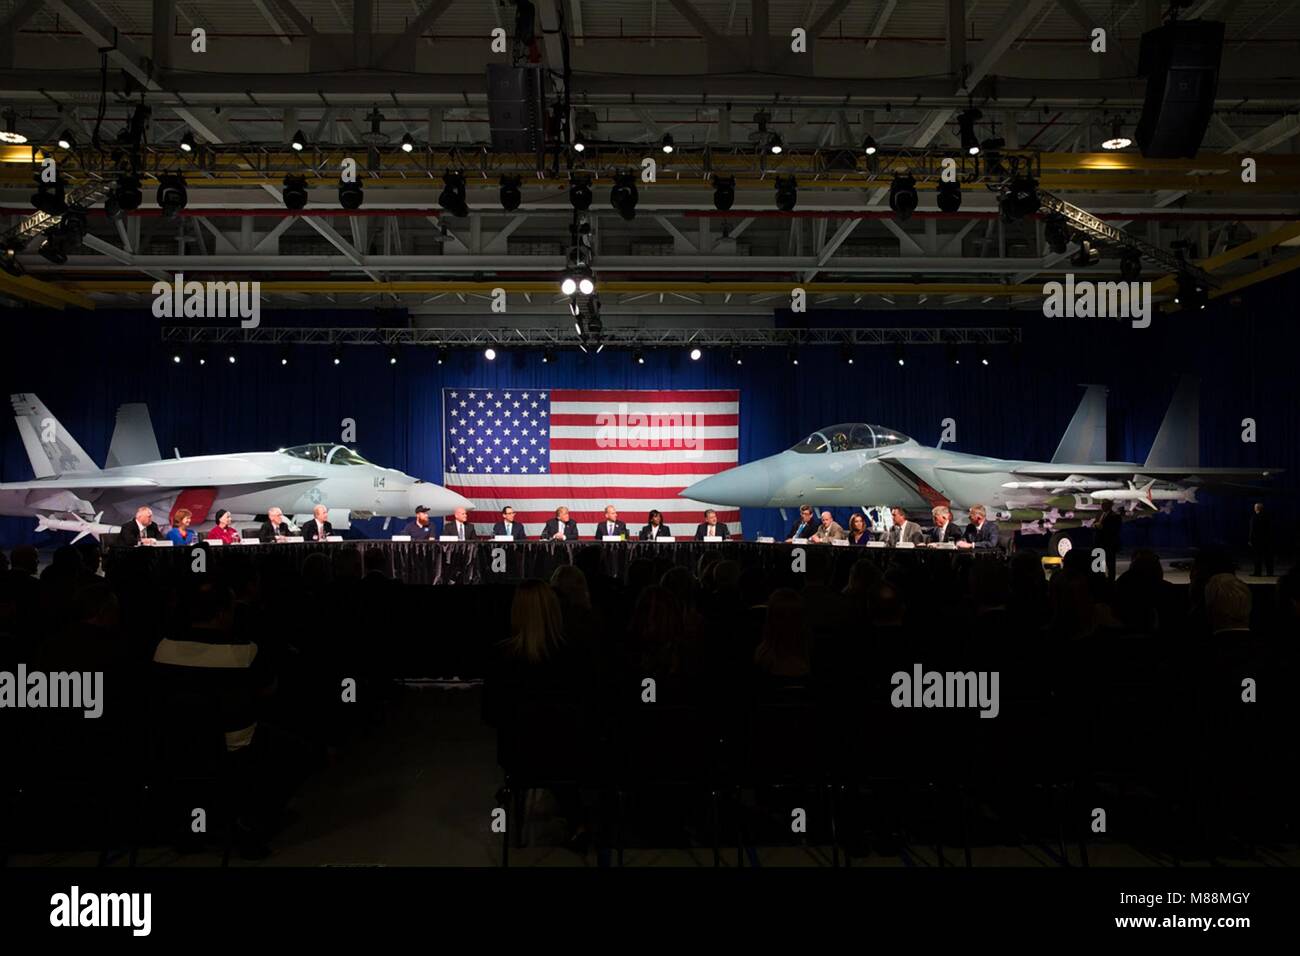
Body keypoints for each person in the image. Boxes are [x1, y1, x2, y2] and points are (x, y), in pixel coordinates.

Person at [1096, 499, 1123, 582]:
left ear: (1109, 505)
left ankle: (1111, 582)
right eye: (1102, 504)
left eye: (1104, 504)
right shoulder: (1099, 514)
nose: (1102, 506)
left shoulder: (1115, 516)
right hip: (1099, 544)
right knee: (1099, 565)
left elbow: (1115, 529)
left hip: (1109, 545)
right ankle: (1100, 580)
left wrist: (1102, 527)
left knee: (1110, 565)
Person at [1249, 502, 1274, 577]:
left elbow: (1252, 530)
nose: (1254, 508)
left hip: (1257, 541)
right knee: (1268, 557)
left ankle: (1257, 572)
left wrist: (1250, 539)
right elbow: (1270, 529)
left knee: (1257, 557)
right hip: (1266, 540)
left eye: (1255, 507)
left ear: (1257, 508)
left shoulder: (1255, 517)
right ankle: (1269, 573)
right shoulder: (1267, 517)